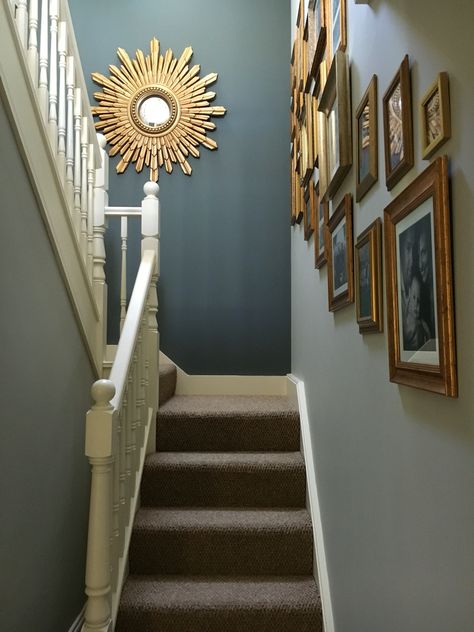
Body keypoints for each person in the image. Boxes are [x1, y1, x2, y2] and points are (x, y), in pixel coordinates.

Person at [403, 273, 431, 351]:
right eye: (414, 297)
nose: (416, 304)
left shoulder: (421, 324)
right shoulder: (405, 319)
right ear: (408, 296)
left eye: (418, 301)